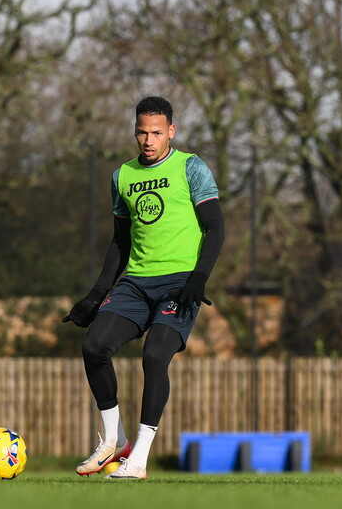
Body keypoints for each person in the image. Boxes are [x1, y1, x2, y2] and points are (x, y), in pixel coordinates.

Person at [62, 95, 224, 480]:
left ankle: (139, 459)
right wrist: (96, 295)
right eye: (141, 132)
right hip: (135, 283)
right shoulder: (123, 176)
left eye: (156, 132)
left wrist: (198, 278)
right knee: (94, 347)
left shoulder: (191, 168)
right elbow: (120, 242)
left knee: (154, 357)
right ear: (134, 132)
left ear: (171, 131)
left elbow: (215, 228)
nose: (148, 140)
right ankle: (112, 442)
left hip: (180, 285)